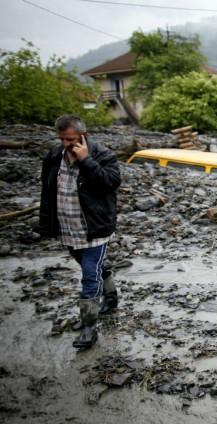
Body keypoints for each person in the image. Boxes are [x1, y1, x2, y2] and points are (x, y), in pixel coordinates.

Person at [39, 114, 121, 349]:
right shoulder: (53, 157)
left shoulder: (101, 155)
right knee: (93, 268)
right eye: (62, 139)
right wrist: (46, 226)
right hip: (68, 229)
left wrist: (86, 161)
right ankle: (111, 295)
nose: (66, 144)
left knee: (89, 275)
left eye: (71, 139)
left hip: (95, 229)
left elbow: (110, 183)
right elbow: (47, 194)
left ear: (83, 135)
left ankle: (89, 328)